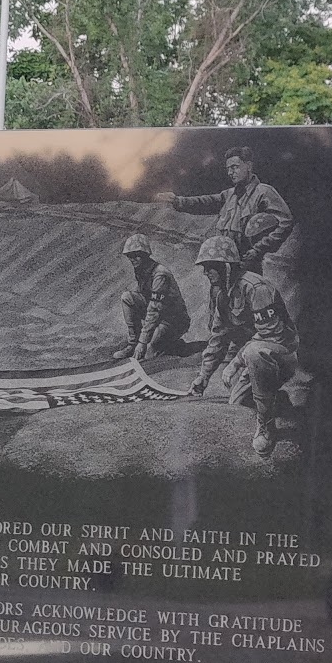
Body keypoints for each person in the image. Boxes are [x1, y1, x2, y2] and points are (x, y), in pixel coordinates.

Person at [189, 235, 300, 455]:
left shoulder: (256, 287)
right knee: (237, 402)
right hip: (254, 357)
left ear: (227, 267)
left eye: (211, 267)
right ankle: (277, 399)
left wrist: (235, 363)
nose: (206, 273)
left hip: (283, 355)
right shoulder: (222, 294)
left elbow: (271, 336)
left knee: (254, 352)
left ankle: (267, 427)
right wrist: (203, 377)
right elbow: (218, 338)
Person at [155, 147, 293, 274]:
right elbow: (205, 202)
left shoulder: (264, 192)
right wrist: (177, 200)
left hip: (247, 265)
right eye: (228, 169)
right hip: (222, 263)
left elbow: (285, 222)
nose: (230, 173)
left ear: (249, 166)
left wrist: (258, 249)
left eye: (234, 167)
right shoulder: (229, 194)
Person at [113, 233, 191, 361]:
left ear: (145, 255)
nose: (132, 259)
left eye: (136, 255)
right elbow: (143, 297)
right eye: (129, 256)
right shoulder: (141, 270)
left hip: (174, 320)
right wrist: (139, 341)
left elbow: (154, 308)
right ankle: (133, 344)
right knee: (127, 297)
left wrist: (143, 342)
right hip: (159, 316)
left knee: (150, 355)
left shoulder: (160, 274)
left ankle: (173, 345)